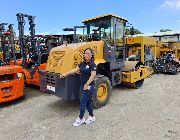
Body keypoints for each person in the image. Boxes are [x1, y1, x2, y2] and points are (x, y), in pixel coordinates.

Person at [60, 48, 97, 127]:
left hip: (89, 86)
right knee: (88, 103)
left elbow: (93, 75)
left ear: (91, 55)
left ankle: (81, 118)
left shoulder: (92, 64)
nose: (86, 55)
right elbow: (74, 70)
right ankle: (92, 116)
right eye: (85, 53)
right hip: (85, 86)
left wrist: (87, 84)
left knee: (82, 102)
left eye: (88, 53)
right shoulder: (82, 64)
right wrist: (65, 74)